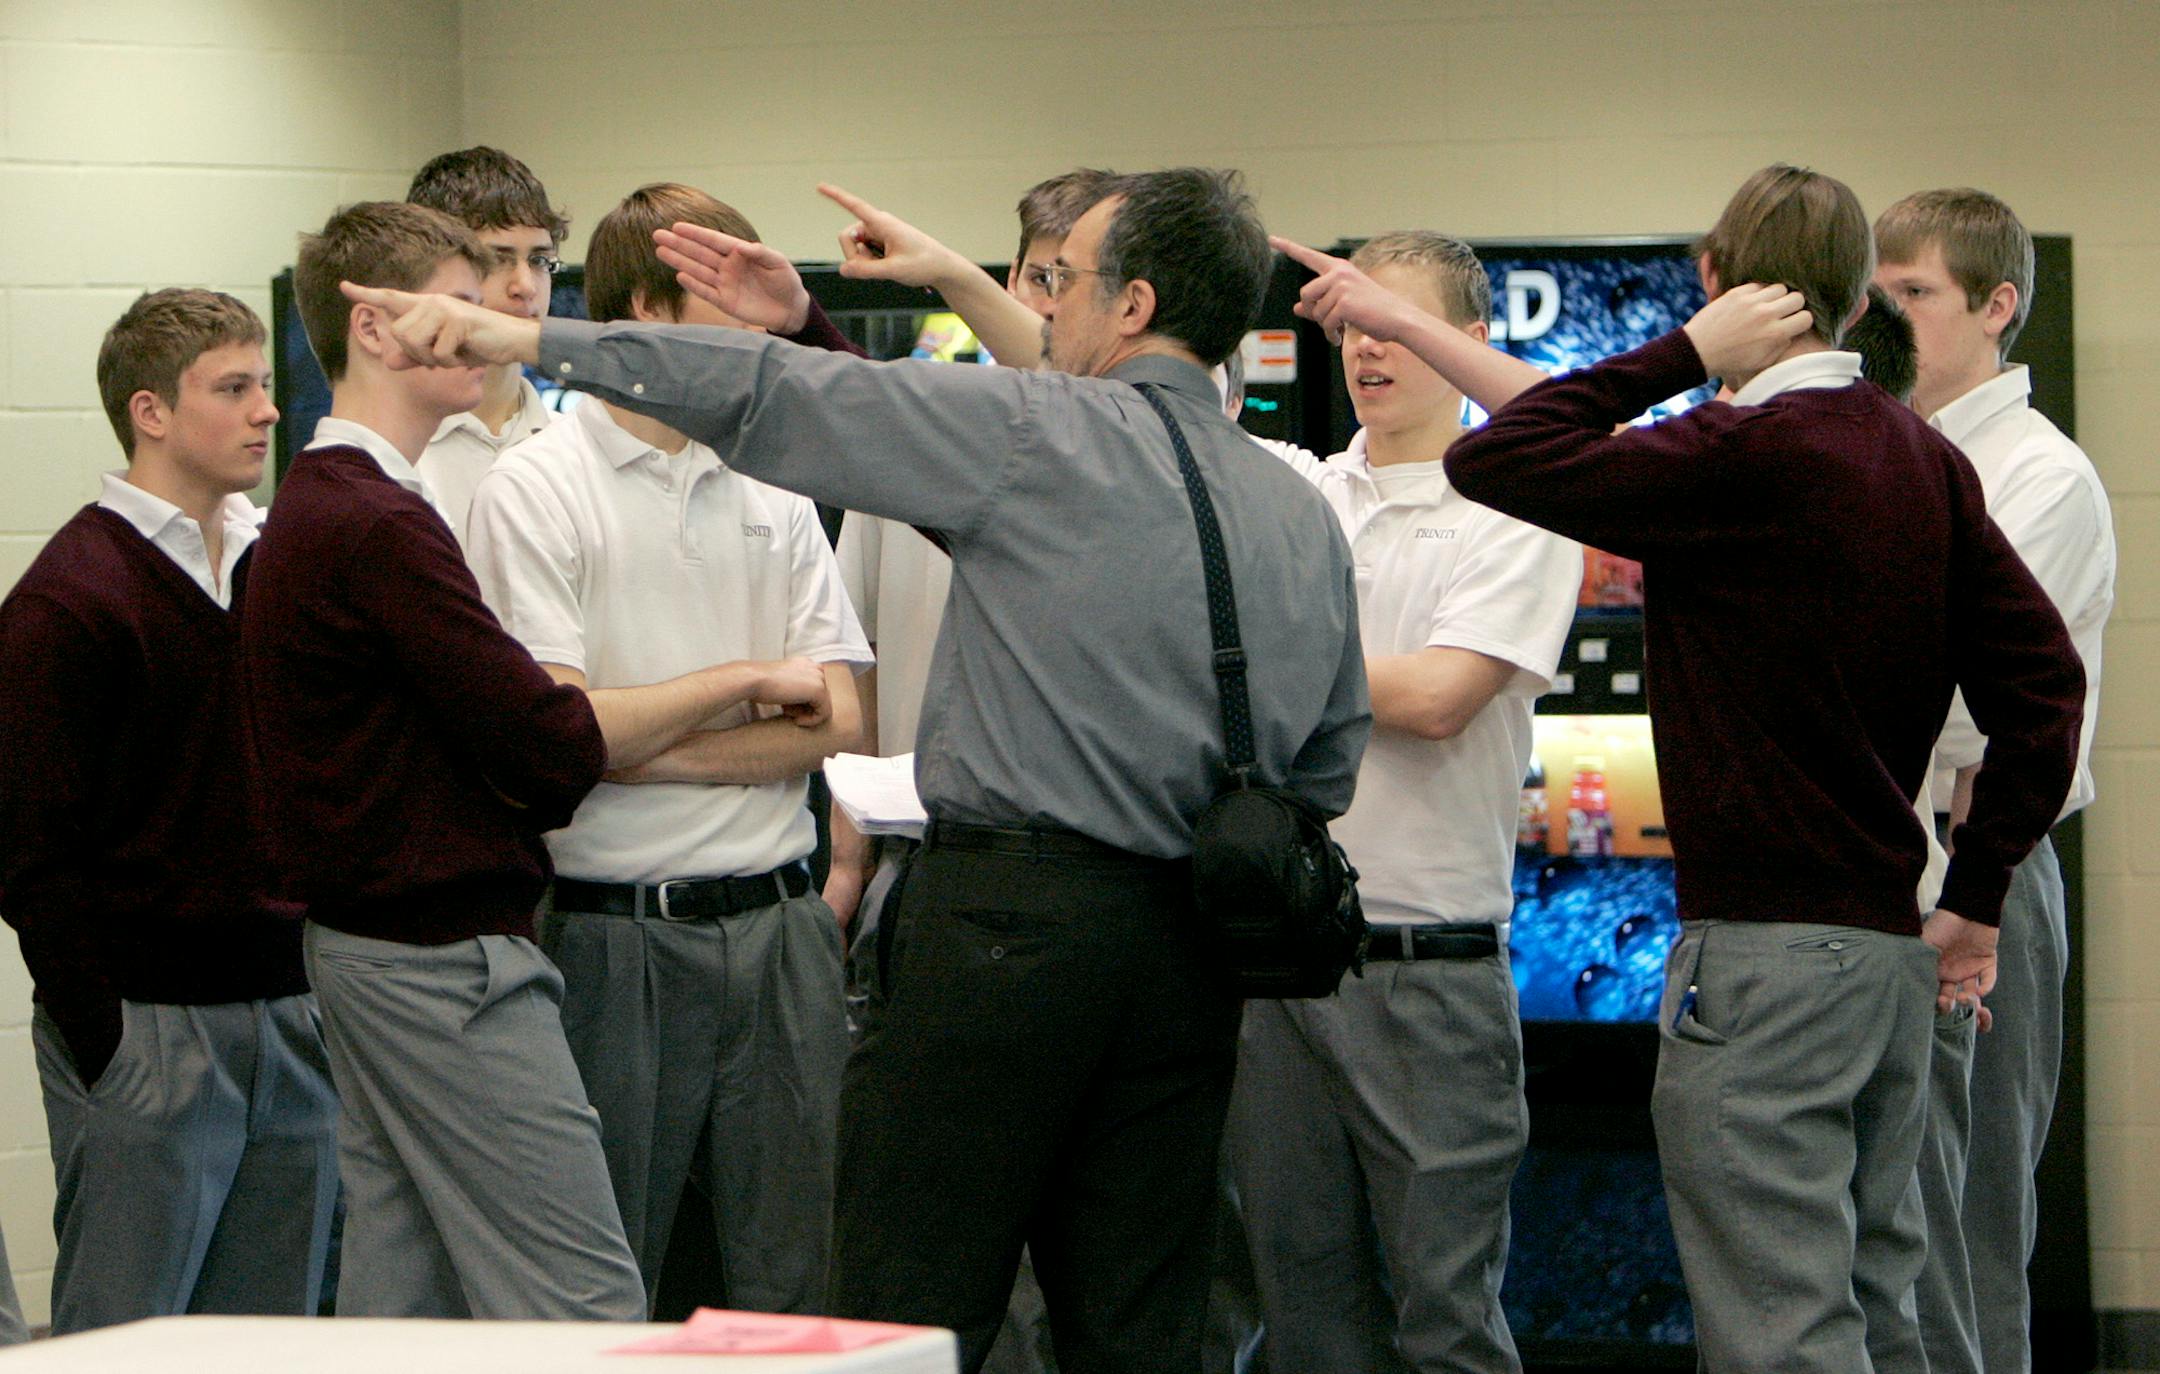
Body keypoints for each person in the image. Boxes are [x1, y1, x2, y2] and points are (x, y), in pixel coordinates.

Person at [346, 165, 1369, 1374]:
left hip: (1003, 936)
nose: (1046, 314)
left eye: (1062, 285)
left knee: (901, 1303)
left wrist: (520, 334)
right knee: (1139, 1320)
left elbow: (778, 396)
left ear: (1133, 305)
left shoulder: (1036, 431)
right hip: (1195, 957)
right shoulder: (1295, 505)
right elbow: (1329, 759)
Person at [1275, 162, 2084, 1374]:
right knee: (1882, 1306)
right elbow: (2047, 692)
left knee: (1778, 1330)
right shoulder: (1920, 459)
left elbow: (1504, 458)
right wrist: (1972, 898)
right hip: (1888, 955)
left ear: (1714, 280)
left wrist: (1676, 354)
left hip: (1760, 961)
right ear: (1859, 294)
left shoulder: (1739, 450)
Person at [242, 201, 830, 1322]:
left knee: (406, 1293)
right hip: (438, 956)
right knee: (586, 1308)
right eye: (467, 304)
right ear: (375, 326)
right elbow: (548, 741)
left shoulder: (338, 508)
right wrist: (742, 676)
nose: (498, 324)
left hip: (379, 949)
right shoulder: (373, 522)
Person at [466, 181, 871, 1314]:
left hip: (785, 927)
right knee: (611, 1282)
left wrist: (642, 742)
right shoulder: (535, 489)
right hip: (613, 939)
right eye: (725, 301)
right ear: (642, 312)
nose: (757, 327)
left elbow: (841, 721)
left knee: (800, 1279)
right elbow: (563, 730)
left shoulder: (772, 479)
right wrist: (742, 694)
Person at [1228, 232, 1580, 1374]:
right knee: (1307, 1319)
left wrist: (1266, 668)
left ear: (1470, 344)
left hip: (1431, 973)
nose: (1369, 346)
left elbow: (1438, 697)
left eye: (1396, 320)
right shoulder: (1300, 488)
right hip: (1283, 973)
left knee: (1448, 1323)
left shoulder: (1515, 507)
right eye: (1352, 324)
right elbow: (1132, 419)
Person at [0, 288, 340, 1335]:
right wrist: (109, 1035)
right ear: (151, 413)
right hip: (147, 1026)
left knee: (272, 1338)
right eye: (231, 388)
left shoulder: (275, 566)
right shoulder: (71, 599)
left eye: (259, 385)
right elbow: (24, 850)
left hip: (289, 1011)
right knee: (126, 1333)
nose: (266, 411)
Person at [1876, 187, 2116, 1374]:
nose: (1888, 316)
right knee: (1883, 1226)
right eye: (1879, 293)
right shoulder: (1883, 453)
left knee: (1966, 1231)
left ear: (1997, 304)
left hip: (1988, 872)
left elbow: (1978, 705)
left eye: (1915, 294)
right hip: (1875, 861)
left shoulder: (2040, 476)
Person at [405, 146, 567, 544]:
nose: (525, 287)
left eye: (540, 262)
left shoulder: (576, 445)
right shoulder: (395, 455)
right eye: (497, 259)